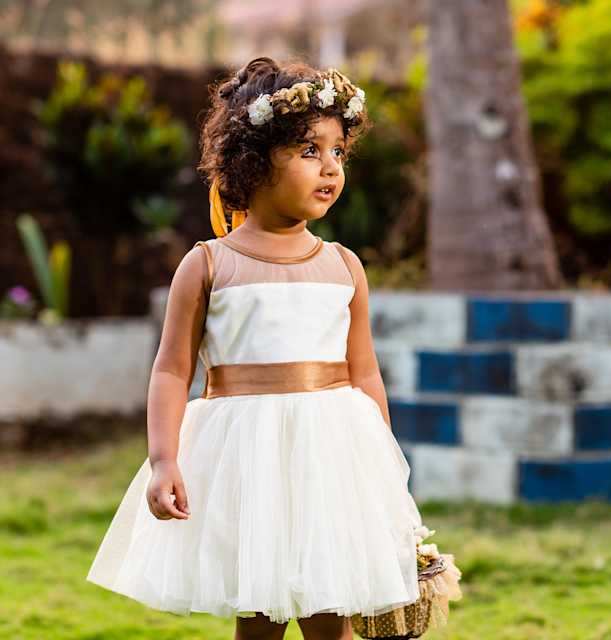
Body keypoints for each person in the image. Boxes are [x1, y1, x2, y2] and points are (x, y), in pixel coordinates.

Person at [86, 57, 425, 640]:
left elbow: (364, 372)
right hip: (247, 460)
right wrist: (164, 459)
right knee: (260, 612)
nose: (330, 168)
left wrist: (381, 468)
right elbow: (171, 369)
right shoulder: (210, 264)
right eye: (308, 151)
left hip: (331, 456)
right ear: (254, 158)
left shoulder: (343, 266)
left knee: (332, 609)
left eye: (338, 152)